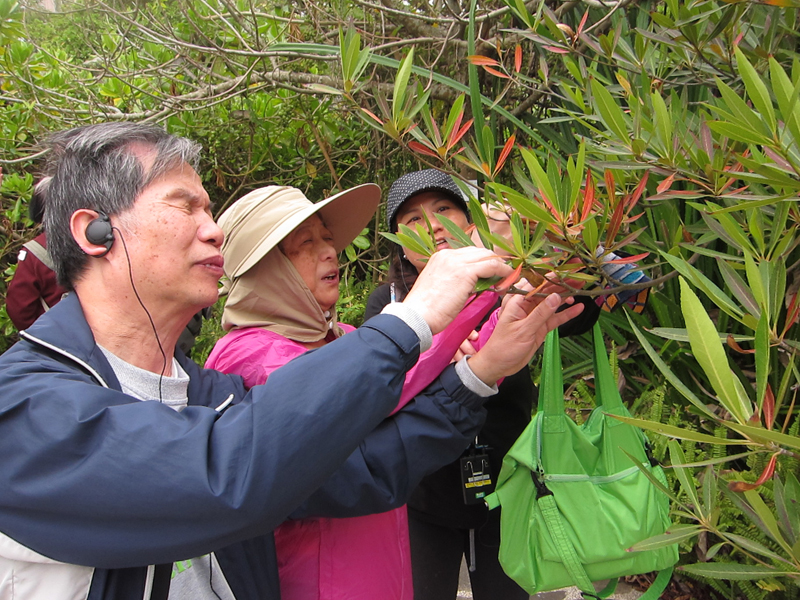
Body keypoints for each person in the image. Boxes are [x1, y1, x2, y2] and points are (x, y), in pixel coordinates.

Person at [0, 123, 583, 600]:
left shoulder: (208, 394)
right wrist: (413, 317)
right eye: (186, 207)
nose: (213, 231)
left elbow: (365, 471)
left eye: (212, 212)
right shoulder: (28, 408)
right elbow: (230, 471)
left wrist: (483, 371)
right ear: (95, 232)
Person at [364, 169, 598, 600]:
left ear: (469, 222)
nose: (432, 225)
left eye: (443, 209)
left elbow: (580, 312)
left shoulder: (507, 283)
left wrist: (544, 243)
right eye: (413, 219)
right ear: (398, 237)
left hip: (507, 484)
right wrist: (434, 343)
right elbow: (378, 389)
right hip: (424, 493)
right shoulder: (389, 304)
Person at [5, 176, 68, 330]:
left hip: (60, 337)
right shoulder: (101, 241)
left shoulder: (36, 251)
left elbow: (19, 308)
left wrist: (43, 335)